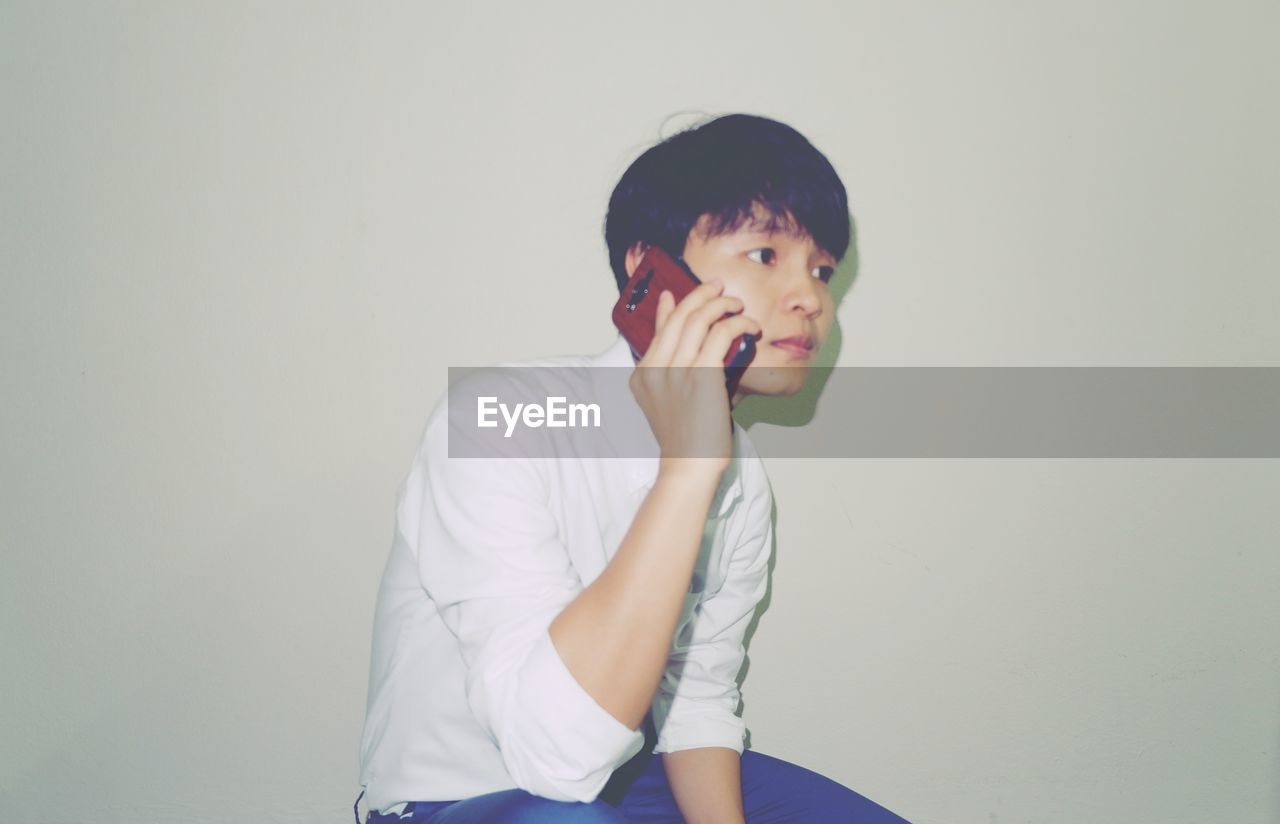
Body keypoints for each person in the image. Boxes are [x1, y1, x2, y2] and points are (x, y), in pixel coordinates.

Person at [356, 113, 909, 823]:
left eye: (823, 269)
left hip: (631, 782)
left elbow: (696, 695)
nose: (811, 298)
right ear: (649, 269)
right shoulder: (498, 416)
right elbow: (554, 761)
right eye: (767, 255)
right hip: (458, 797)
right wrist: (687, 470)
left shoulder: (742, 484)